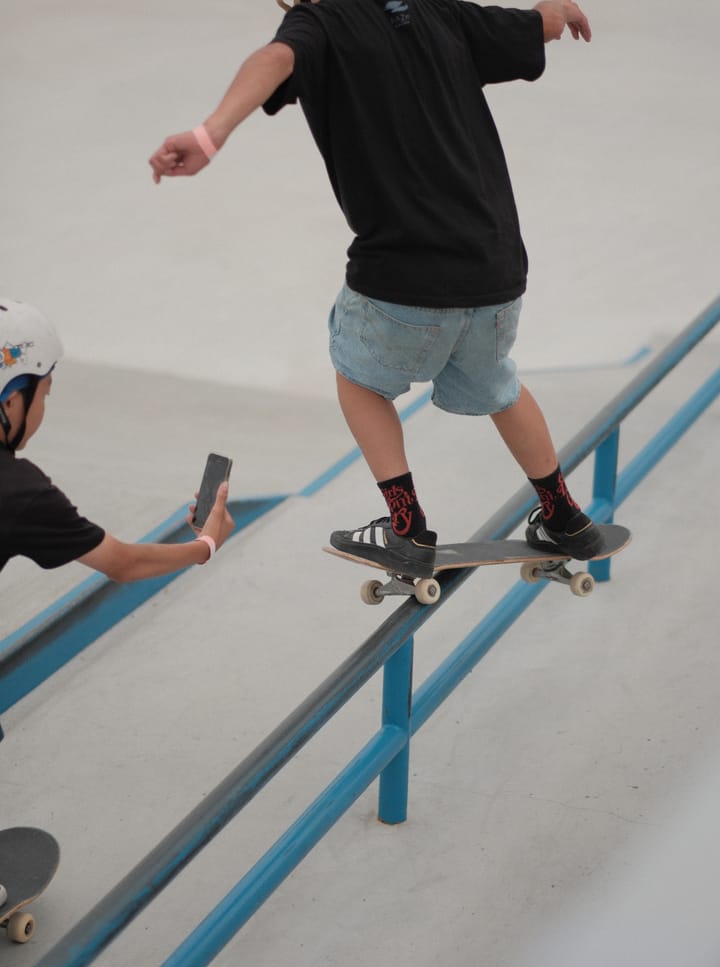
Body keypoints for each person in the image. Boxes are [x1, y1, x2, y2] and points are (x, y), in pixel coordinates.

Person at [149, 0, 602, 580]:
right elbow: (534, 24)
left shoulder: (319, 22)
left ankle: (405, 529)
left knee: (358, 376)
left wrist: (209, 134)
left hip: (404, 275)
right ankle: (564, 514)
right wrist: (555, 12)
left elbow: (273, 58)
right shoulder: (438, 11)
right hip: (496, 269)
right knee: (499, 384)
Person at [0, 297, 235, 584]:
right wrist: (206, 545)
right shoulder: (19, 491)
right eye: (44, 394)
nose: (43, 407)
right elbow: (124, 563)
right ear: (11, 402)